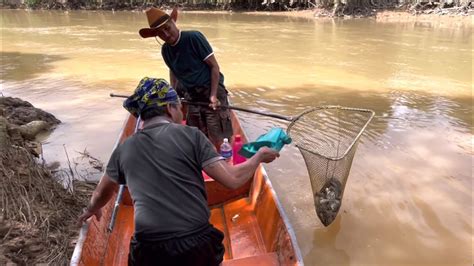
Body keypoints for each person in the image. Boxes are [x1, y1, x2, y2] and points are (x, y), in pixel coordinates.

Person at [77, 77, 279, 266]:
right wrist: (259, 157)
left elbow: (101, 193)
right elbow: (233, 180)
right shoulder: (191, 135)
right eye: (179, 106)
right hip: (196, 245)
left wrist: (91, 209)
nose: (182, 112)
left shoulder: (124, 148)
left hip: (149, 249)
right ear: (169, 108)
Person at [139, 7, 232, 150]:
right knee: (194, 135)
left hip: (211, 90)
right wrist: (172, 95)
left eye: (167, 28)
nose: (166, 34)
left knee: (218, 137)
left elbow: (214, 67)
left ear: (173, 22)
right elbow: (174, 72)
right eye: (160, 33)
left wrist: (213, 96)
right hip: (191, 95)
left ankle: (223, 164)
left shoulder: (193, 38)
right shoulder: (165, 50)